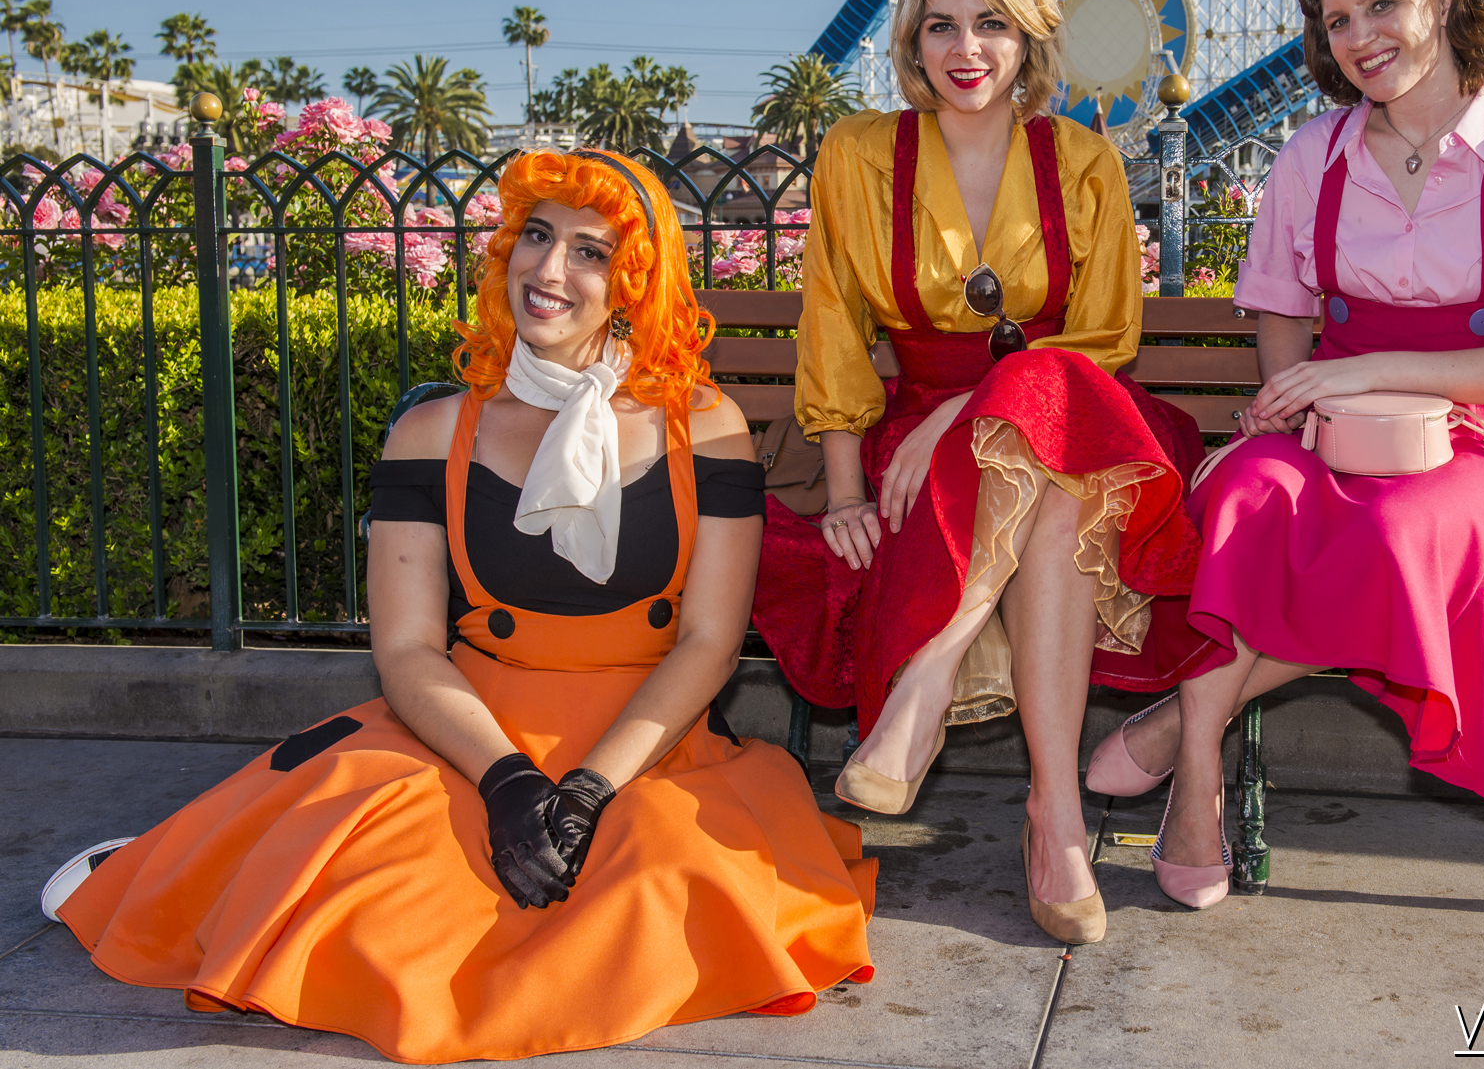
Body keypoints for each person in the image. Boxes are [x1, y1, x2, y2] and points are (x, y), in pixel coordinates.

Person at [45, 149, 876, 1063]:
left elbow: (711, 644)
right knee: (377, 884)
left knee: (658, 878)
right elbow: (405, 649)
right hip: (471, 732)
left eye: (591, 252)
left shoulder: (703, 422)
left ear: (634, 281)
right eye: (536, 237)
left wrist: (593, 786)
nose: (550, 271)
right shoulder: (431, 429)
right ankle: (174, 862)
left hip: (650, 741)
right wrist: (509, 781)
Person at [1084, 0, 1484, 908]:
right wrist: (1299, 399)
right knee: (1243, 496)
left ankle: (1179, 738)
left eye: (1382, 5)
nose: (1360, 38)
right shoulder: (1310, 156)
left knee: (1399, 538)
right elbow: (1284, 319)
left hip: (1480, 436)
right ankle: (1198, 774)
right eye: (1337, 21)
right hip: (1331, 423)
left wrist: (1358, 375)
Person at [753, 0, 1209, 946]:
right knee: (1052, 505)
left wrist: (970, 401)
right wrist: (850, 486)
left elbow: (1097, 347)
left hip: (1077, 416)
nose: (968, 50)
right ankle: (1057, 825)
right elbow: (831, 322)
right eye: (943, 26)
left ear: (1029, 36)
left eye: (992, 24)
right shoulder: (860, 156)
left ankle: (935, 670)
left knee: (1050, 428)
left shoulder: (1086, 164)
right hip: (927, 439)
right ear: (913, 39)